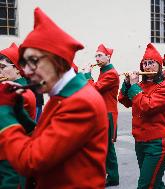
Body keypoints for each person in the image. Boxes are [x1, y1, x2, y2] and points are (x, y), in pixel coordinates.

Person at [0, 7, 108, 189]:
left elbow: (31, 161)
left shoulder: (80, 102)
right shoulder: (62, 96)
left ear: (56, 59)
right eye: (24, 63)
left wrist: (4, 114)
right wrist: (19, 114)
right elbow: (45, 140)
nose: (25, 71)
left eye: (33, 61)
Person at [118, 43, 165, 189]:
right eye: (145, 64)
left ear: (159, 66)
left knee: (145, 184)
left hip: (157, 142)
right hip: (140, 140)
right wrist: (127, 84)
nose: (147, 67)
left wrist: (134, 86)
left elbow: (147, 106)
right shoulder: (141, 85)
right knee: (154, 182)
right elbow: (124, 100)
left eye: (151, 63)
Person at [0, 43, 36, 189]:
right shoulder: (8, 88)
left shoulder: (21, 93)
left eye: (2, 67)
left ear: (16, 68)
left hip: (11, 162)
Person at [86, 44, 120, 187]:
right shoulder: (103, 71)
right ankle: (106, 173)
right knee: (102, 146)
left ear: (108, 57)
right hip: (102, 113)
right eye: (96, 56)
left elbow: (95, 89)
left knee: (108, 147)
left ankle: (113, 177)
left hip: (108, 114)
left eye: (100, 55)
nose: (97, 58)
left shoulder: (111, 73)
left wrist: (87, 75)